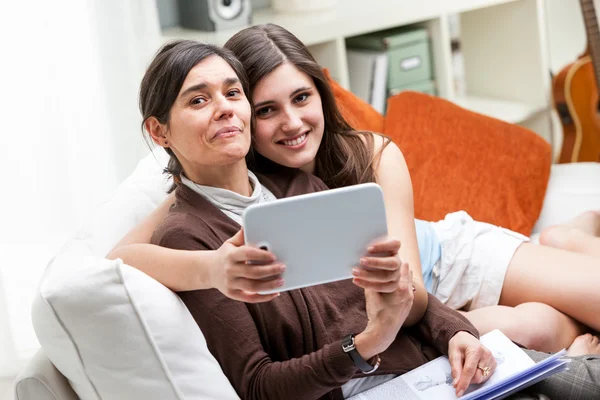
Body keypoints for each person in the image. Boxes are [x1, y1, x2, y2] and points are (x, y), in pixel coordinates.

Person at [138, 38, 600, 400]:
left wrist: (450, 329)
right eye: (198, 100)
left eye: (231, 92)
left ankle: (569, 254)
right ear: (159, 131)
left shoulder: (301, 183)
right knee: (540, 329)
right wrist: (368, 343)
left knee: (550, 334)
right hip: (391, 363)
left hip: (442, 263)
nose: (224, 108)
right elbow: (126, 254)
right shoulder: (194, 229)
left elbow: (403, 292)